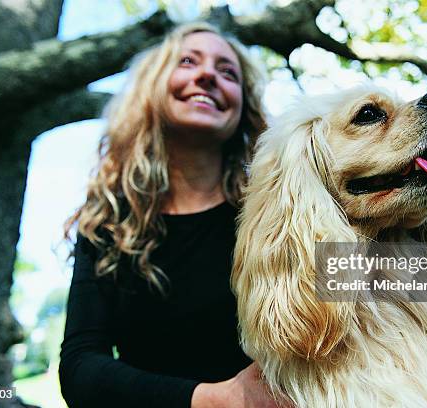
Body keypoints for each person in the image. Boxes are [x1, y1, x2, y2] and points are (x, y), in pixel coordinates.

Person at [59, 22, 282, 408]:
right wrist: (215, 400)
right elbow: (79, 367)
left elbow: (412, 281)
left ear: (243, 105)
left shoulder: (282, 210)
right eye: (187, 62)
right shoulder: (107, 226)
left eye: (228, 72)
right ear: (153, 89)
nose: (208, 75)